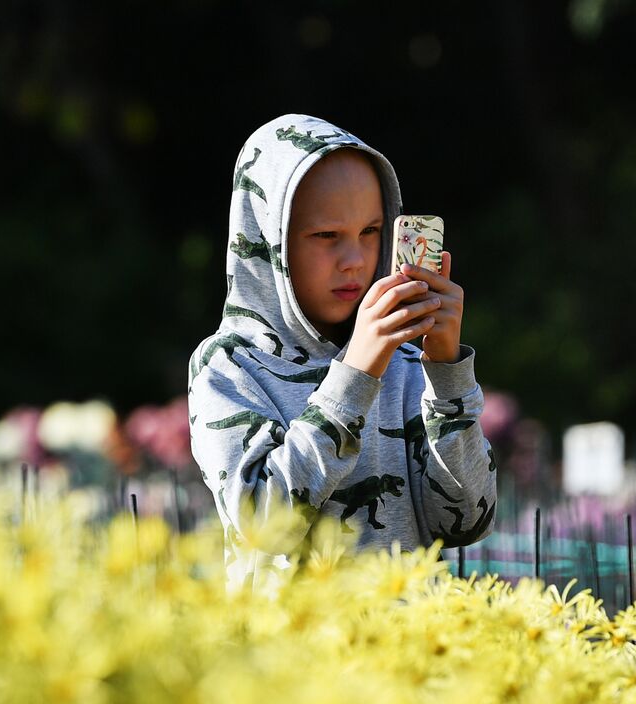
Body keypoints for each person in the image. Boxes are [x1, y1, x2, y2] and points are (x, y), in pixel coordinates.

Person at [188, 114, 497, 594]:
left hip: (406, 659)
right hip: (289, 662)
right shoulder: (229, 367)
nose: (354, 259)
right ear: (270, 241)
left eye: (371, 231)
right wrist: (355, 373)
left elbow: (467, 522)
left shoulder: (408, 362)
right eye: (327, 236)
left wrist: (447, 370)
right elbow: (265, 526)